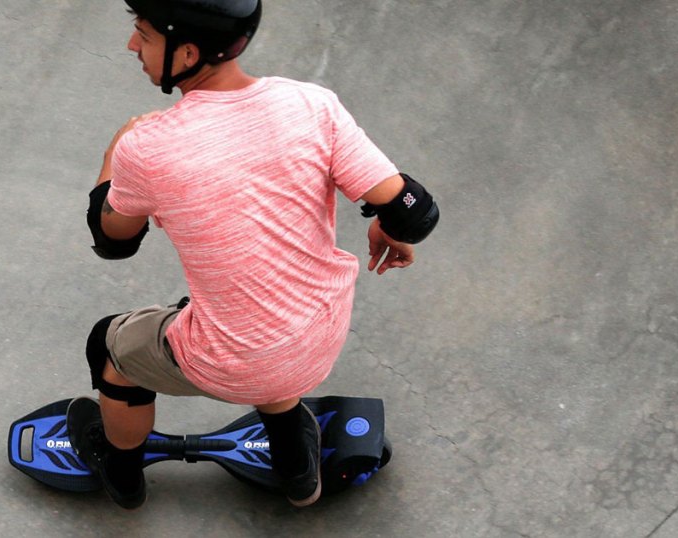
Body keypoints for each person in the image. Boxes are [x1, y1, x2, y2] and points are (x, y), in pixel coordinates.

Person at [70, 0, 439, 509]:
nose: (132, 46)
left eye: (144, 35)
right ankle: (298, 471)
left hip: (239, 357)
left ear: (188, 52)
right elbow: (412, 213)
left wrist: (113, 159)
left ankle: (122, 474)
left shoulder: (148, 147)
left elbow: (113, 239)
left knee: (109, 348)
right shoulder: (311, 104)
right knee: (256, 316)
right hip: (320, 332)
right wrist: (388, 225)